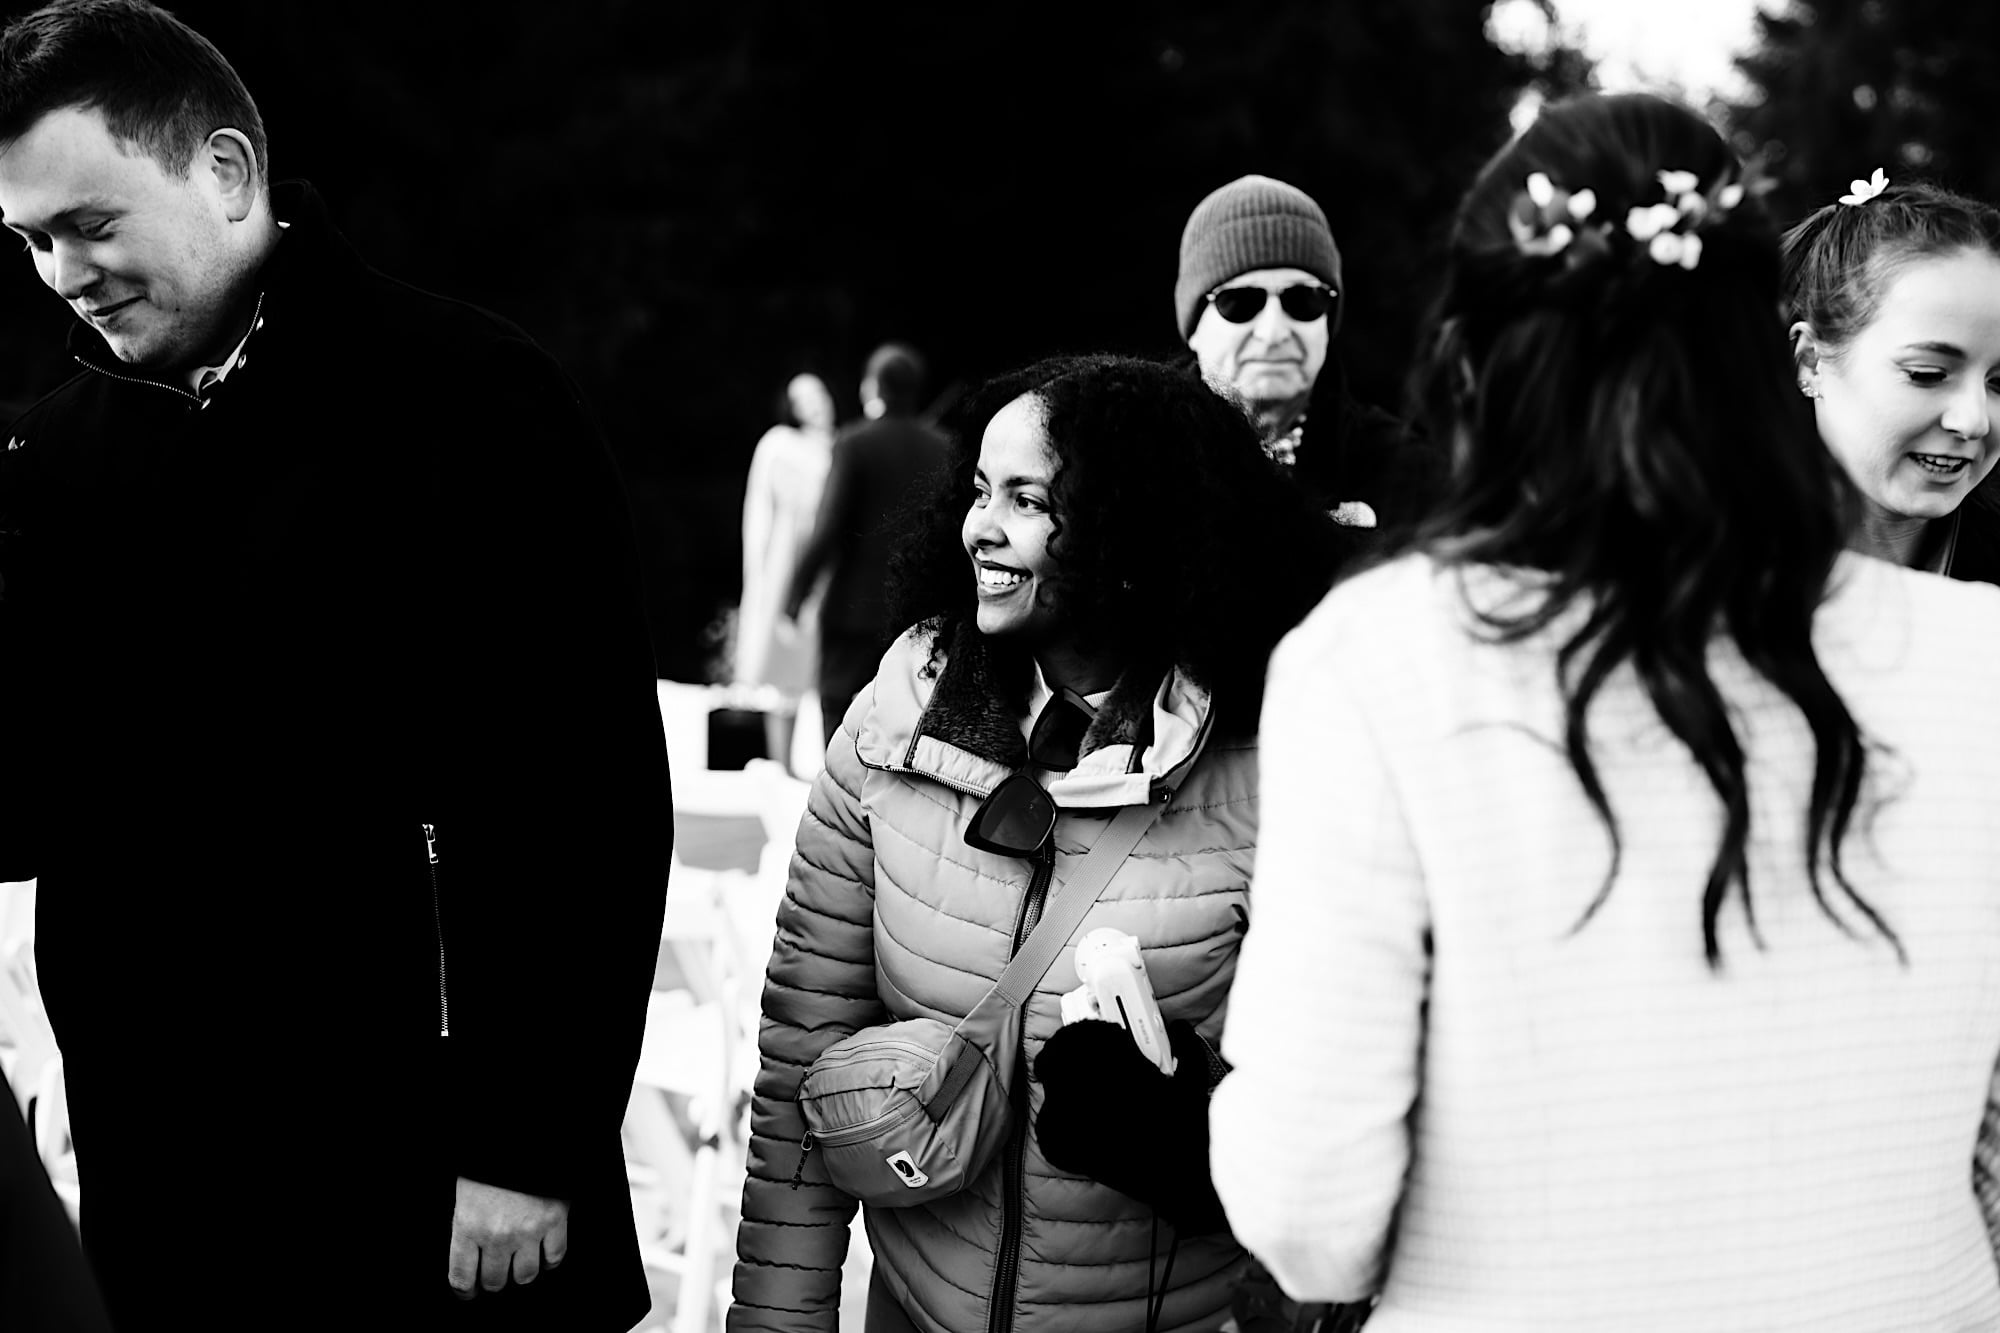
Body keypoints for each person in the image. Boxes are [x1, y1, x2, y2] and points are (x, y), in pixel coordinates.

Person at [1211, 91, 2000, 1330]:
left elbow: (1310, 1217)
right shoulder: (1977, 655)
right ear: (1767, 354)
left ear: (1472, 360)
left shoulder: (1379, 661)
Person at [0, 3, 672, 1329]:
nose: (62, 273)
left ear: (225, 169)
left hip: (426, 1176)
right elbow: (29, 805)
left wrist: (528, 1142)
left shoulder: (469, 399)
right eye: (29, 241)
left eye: (88, 223)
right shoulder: (54, 453)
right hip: (161, 1175)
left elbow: (580, 796)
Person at [730, 354, 1342, 1333]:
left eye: (1026, 499)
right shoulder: (894, 716)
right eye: (979, 490)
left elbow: (1342, 1123)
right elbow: (800, 1059)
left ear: (1131, 528)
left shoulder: (1275, 766)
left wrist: (1190, 1132)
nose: (979, 526)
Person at [1174, 173, 1438, 537]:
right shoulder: (1132, 454)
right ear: (1193, 328)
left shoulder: (1406, 474)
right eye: (1239, 302)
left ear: (1328, 322)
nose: (1273, 332)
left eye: (1303, 300)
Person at [1783, 175, 2000, 582]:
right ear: (1811, 361)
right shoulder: (1697, 564)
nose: (1974, 421)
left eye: (1999, 385)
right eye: (1927, 374)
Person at [785, 342, 946, 747]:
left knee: (839, 713)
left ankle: (841, 788)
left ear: (873, 386)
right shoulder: (943, 447)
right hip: (919, 611)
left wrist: (796, 594)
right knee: (910, 718)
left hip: (853, 608)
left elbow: (828, 527)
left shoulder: (853, 442)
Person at [737, 371, 837, 768]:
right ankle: (781, 762)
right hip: (784, 562)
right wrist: (759, 569)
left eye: (818, 393)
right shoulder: (778, 444)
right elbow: (760, 509)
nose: (815, 404)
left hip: (827, 565)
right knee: (782, 662)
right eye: (803, 398)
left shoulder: (838, 445)